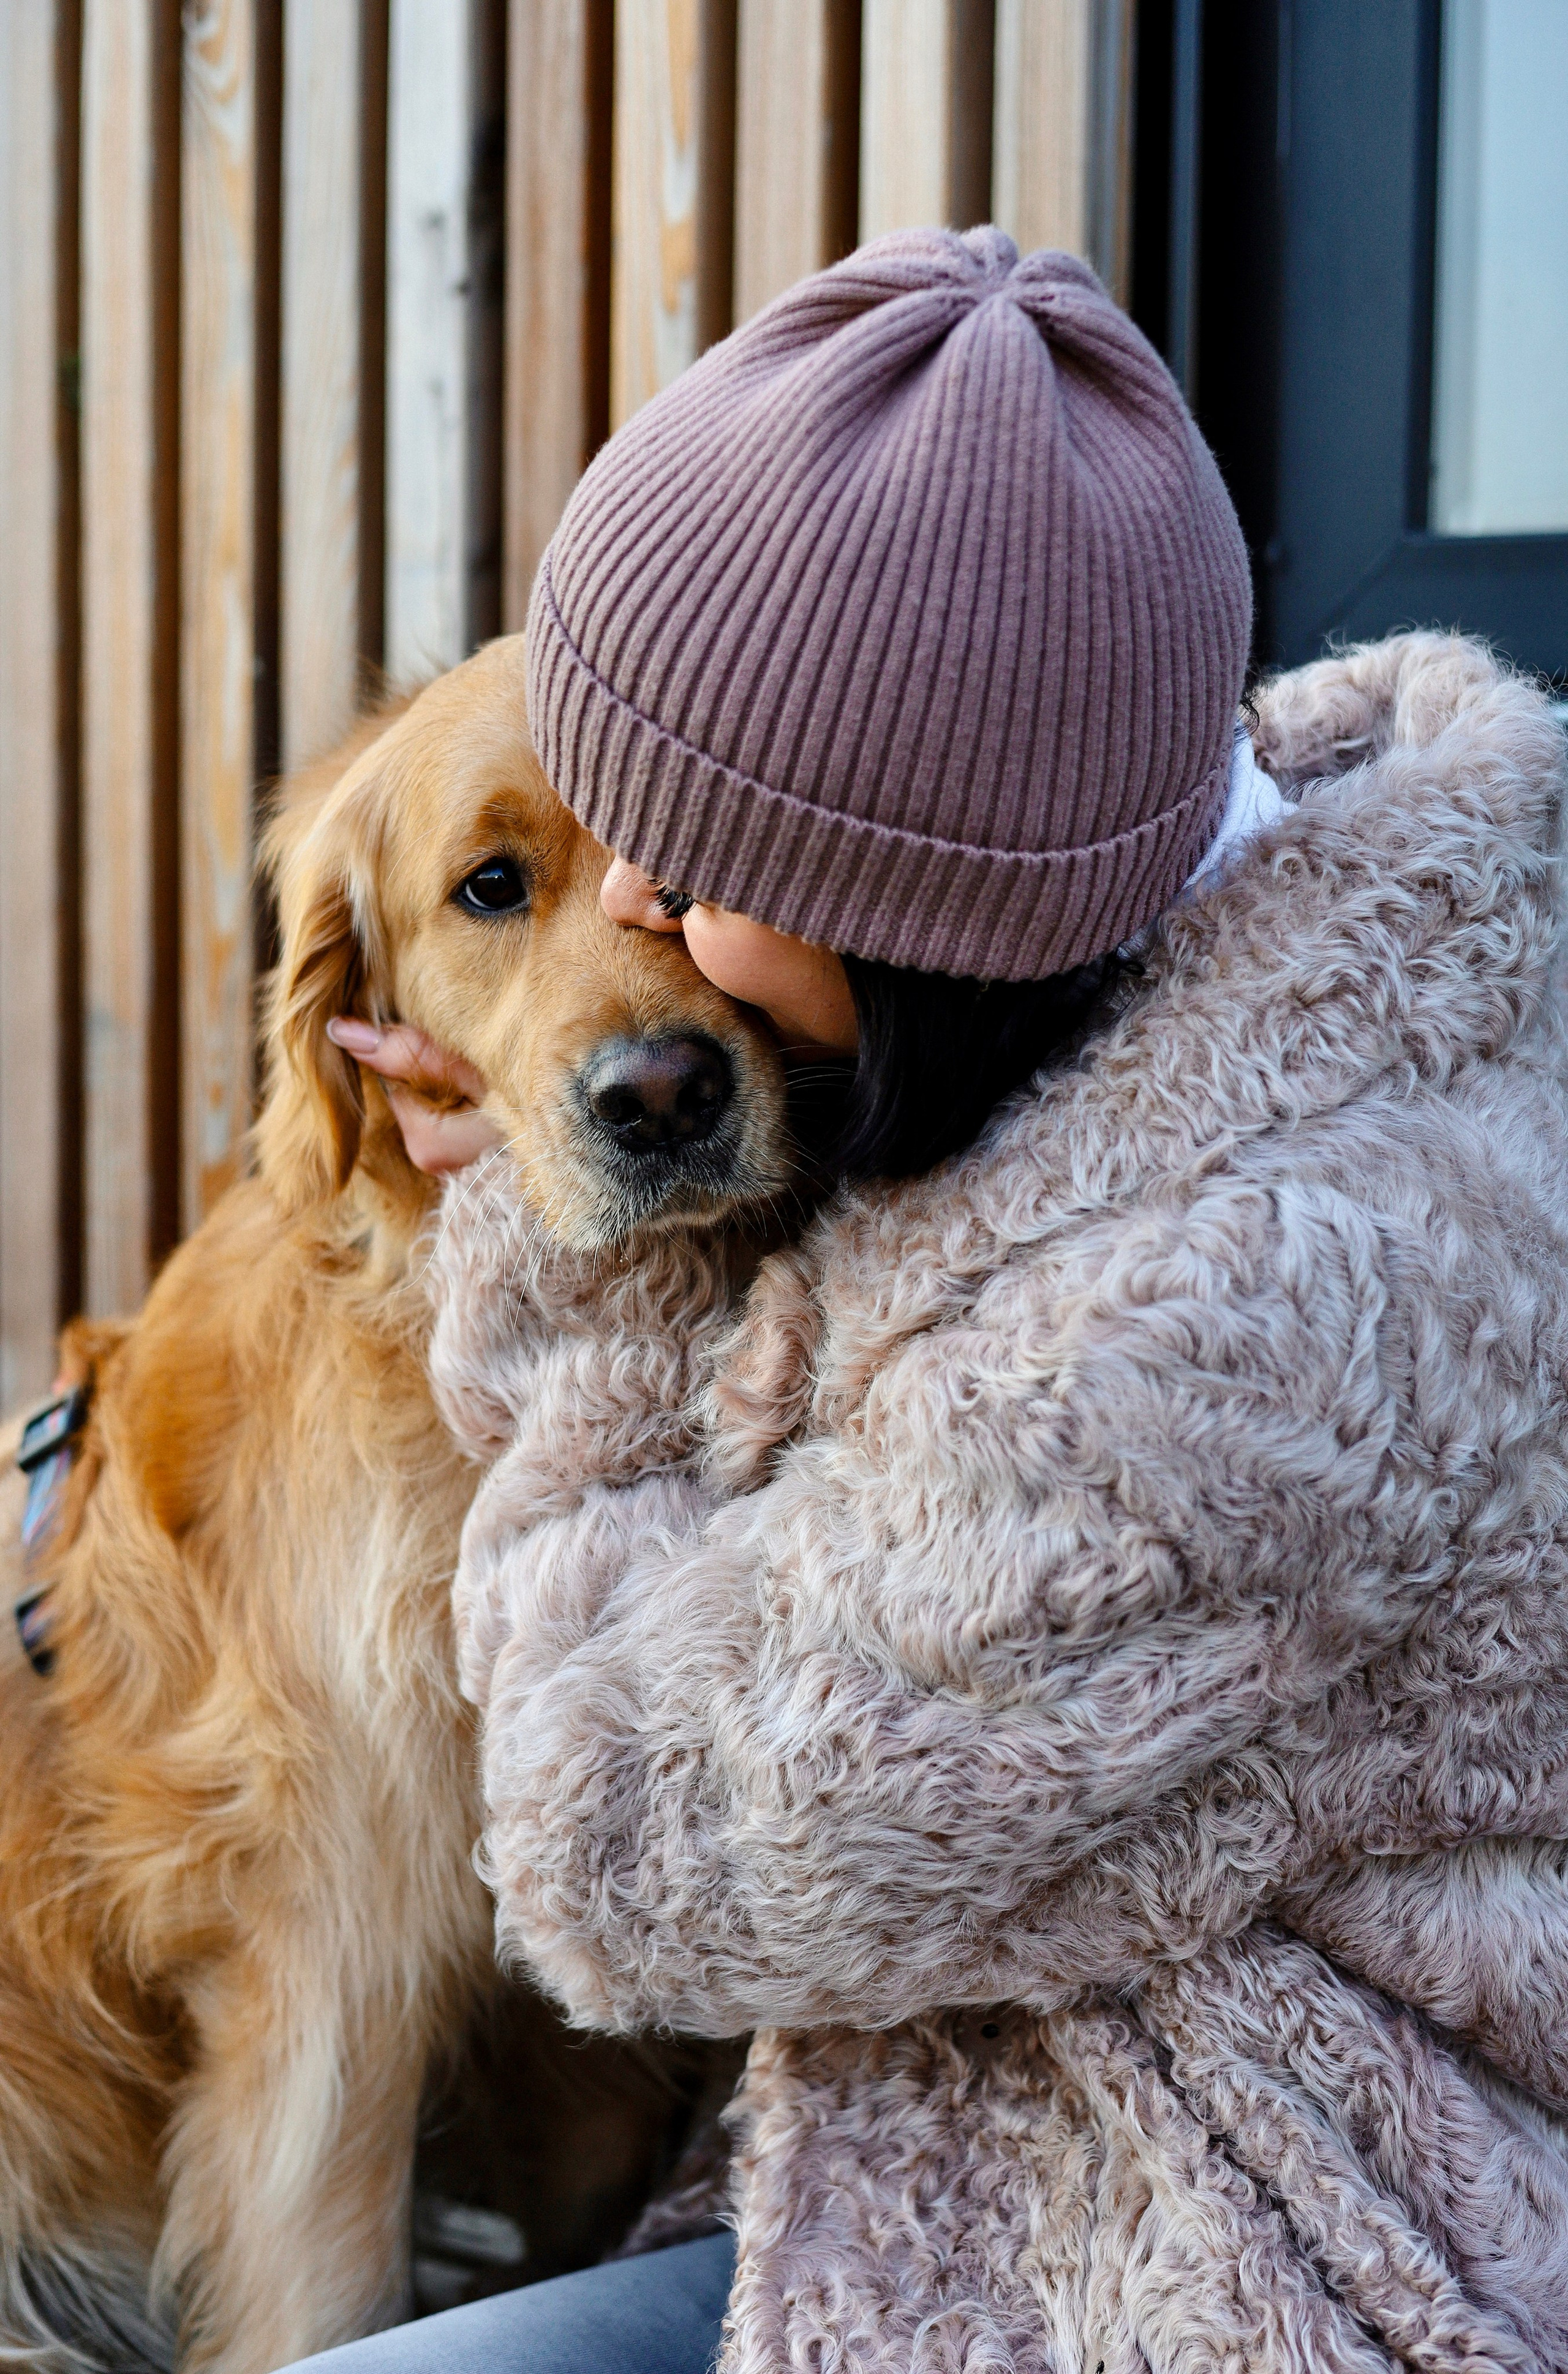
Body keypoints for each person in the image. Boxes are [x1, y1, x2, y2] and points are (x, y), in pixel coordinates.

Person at [303, 230, 1568, 2371]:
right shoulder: (1168, 899)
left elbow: (615, 1843)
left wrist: (553, 1230)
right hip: (980, 2152)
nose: (633, 922)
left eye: (688, 857)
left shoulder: (1226, 1348)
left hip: (1227, 2257)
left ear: (923, 900)